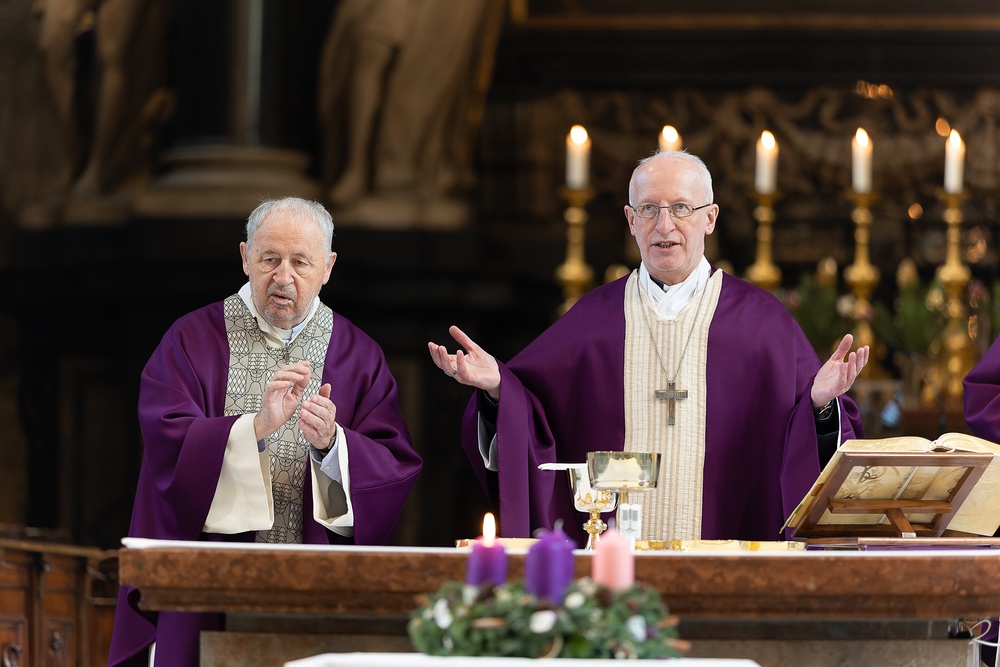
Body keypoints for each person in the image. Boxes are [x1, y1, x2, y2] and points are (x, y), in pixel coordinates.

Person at [428, 151, 868, 545]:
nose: (664, 225)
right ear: (630, 219)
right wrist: (500, 388)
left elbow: (808, 455)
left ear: (710, 218)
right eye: (649, 209)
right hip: (612, 566)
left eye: (681, 208)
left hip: (726, 557)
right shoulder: (592, 320)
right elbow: (533, 420)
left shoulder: (763, 325)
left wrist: (818, 406)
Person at [109, 197, 422, 666]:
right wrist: (253, 428)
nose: (283, 277)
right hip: (209, 585)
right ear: (244, 257)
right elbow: (166, 442)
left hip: (317, 588)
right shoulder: (191, 340)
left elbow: (391, 467)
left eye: (301, 262)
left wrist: (332, 445)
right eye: (269, 259)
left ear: (328, 268)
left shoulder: (359, 355)